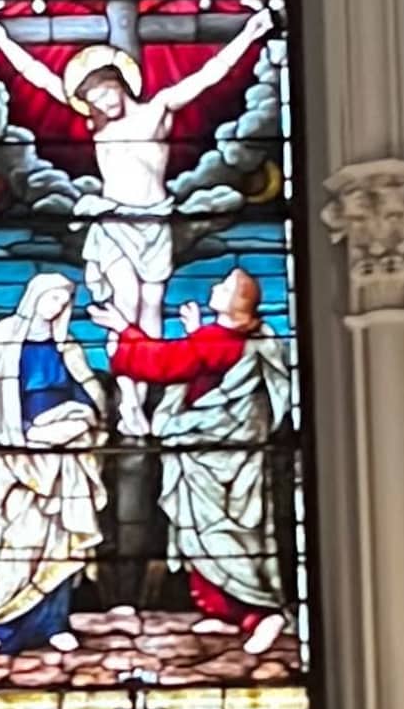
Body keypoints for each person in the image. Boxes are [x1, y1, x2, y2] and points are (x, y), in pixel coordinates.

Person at [0, 0, 274, 339]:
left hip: (156, 217)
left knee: (152, 302)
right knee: (125, 301)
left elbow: (209, 75)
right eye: (93, 101)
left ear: (119, 81)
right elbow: (40, 77)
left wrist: (249, 34)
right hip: (114, 219)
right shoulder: (97, 124)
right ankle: (125, 386)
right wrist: (2, 41)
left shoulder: (157, 109)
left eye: (105, 92)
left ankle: (145, 387)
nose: (102, 103)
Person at [106, 266, 291, 651]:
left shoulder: (218, 339)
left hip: (215, 452)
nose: (215, 287)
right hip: (219, 454)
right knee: (209, 533)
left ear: (238, 303)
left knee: (218, 533)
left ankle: (262, 612)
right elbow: (208, 370)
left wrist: (125, 331)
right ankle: (227, 614)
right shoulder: (247, 339)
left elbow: (166, 363)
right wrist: (194, 333)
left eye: (224, 286)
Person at [0, 266, 110, 656]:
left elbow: (89, 395)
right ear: (34, 296)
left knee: (63, 541)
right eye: (53, 297)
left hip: (66, 456)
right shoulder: (2, 339)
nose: (59, 306)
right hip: (20, 457)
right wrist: (22, 438)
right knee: (20, 539)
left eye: (65, 301)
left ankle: (53, 623)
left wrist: (78, 418)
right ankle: (3, 622)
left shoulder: (68, 347)